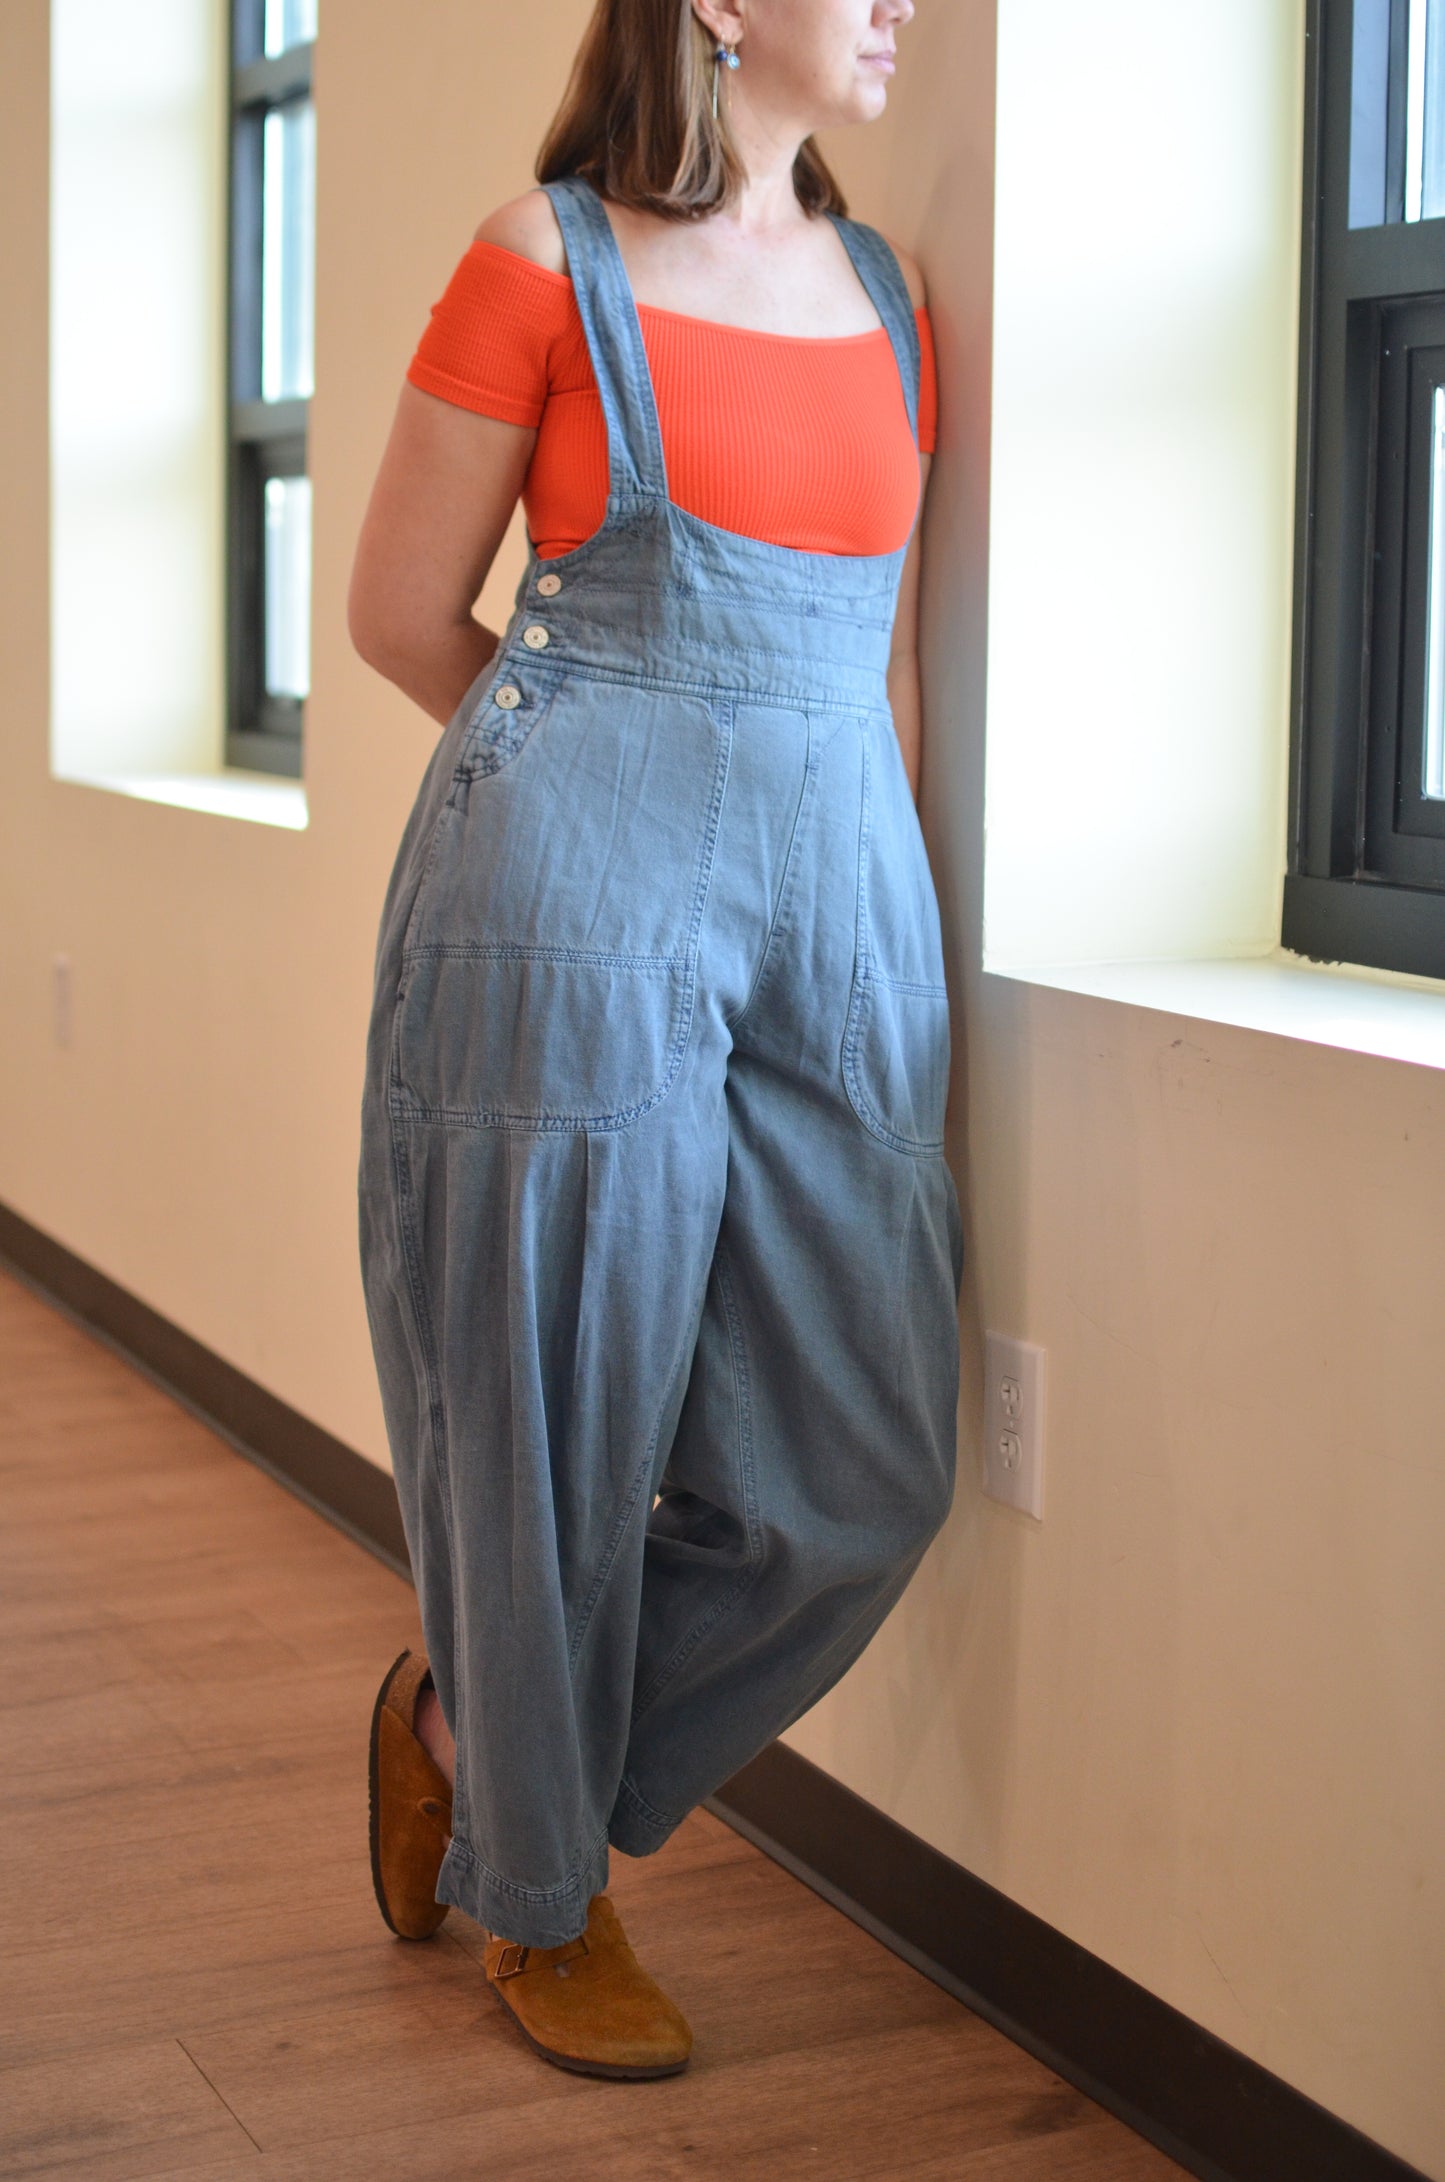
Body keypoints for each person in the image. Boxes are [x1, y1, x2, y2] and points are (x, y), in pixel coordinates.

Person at [349, 0, 963, 2082]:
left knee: (865, 1457)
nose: (900, 8)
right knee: (555, 1406)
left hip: (842, 896)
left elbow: (879, 654)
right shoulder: (548, 260)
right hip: (570, 892)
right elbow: (404, 604)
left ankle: (472, 1728)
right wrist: (596, 792)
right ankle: (541, 1889)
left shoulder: (888, 296)